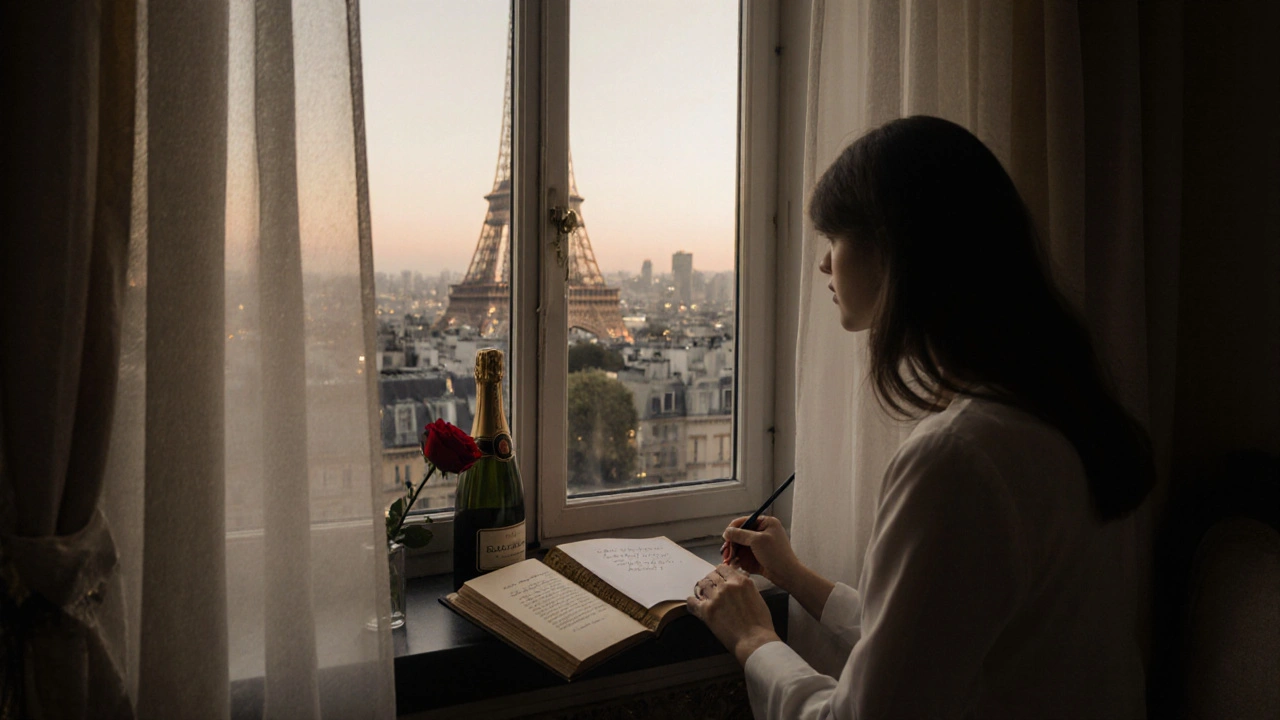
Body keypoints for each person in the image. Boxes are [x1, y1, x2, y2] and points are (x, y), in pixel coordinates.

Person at [687, 115, 1154, 719]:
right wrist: (797, 577)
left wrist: (753, 639)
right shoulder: (1042, 416)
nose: (825, 265)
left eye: (836, 238)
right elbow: (936, 635)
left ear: (893, 249)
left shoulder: (957, 457)